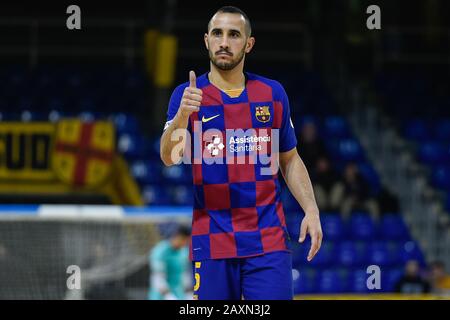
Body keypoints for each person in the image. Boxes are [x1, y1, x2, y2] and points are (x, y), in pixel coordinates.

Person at [159, 6, 322, 300]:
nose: (224, 42)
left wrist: (311, 209)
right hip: (212, 241)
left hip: (268, 241)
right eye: (217, 34)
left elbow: (290, 159)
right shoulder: (186, 96)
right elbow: (169, 157)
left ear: (248, 44)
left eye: (234, 34)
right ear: (206, 40)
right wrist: (183, 115)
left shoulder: (272, 94)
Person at [148, 225, 191, 300]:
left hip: (179, 295)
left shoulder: (184, 252)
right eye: (183, 239)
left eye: (187, 241)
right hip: (161, 296)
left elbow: (184, 274)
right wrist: (168, 296)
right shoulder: (160, 251)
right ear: (175, 236)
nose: (184, 243)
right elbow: (157, 277)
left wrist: (188, 293)